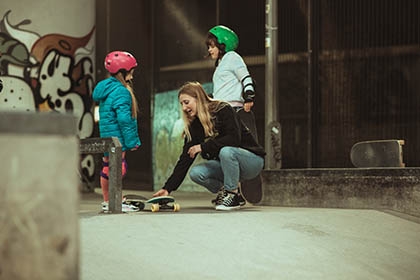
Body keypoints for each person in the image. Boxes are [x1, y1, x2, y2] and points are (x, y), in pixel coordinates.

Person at [153, 82, 265, 211]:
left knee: (226, 151)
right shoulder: (195, 125)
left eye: (186, 102)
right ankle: (233, 194)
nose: (184, 107)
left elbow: (234, 139)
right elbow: (185, 159)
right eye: (182, 104)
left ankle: (231, 194)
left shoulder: (223, 109)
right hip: (227, 166)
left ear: (198, 98)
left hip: (251, 161)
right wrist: (167, 188)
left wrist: (203, 147)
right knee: (196, 173)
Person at [93, 50, 141, 212]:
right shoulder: (121, 91)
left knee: (108, 165)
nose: (132, 76)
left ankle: (108, 200)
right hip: (118, 136)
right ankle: (115, 200)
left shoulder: (107, 90)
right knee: (118, 167)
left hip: (107, 135)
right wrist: (132, 141)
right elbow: (124, 120)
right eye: (130, 73)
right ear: (122, 72)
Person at [205, 25, 258, 139]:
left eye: (212, 46)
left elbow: (245, 77)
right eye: (208, 47)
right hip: (221, 111)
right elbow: (225, 88)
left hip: (234, 110)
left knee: (231, 147)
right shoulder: (220, 63)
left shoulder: (232, 57)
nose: (209, 50)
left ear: (222, 44)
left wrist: (249, 96)